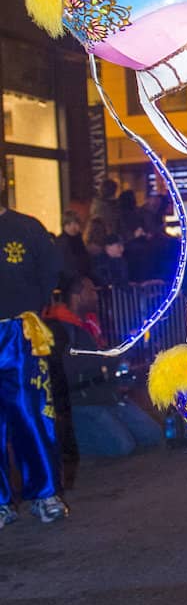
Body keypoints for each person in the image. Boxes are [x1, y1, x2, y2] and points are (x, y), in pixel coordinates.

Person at [0, 184, 66, 525]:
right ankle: (1, 502)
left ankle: (44, 493)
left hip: (18, 333)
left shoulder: (26, 227)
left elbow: (49, 272)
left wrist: (29, 307)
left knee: (31, 412)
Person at [43, 275, 163, 458]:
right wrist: (117, 355)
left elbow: (103, 361)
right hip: (82, 401)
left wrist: (123, 355)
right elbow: (75, 369)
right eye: (91, 291)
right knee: (122, 447)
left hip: (106, 394)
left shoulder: (88, 325)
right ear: (77, 295)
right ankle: (68, 444)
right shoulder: (61, 329)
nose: (96, 296)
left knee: (152, 436)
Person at [55, 209, 92, 282]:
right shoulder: (61, 242)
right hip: (70, 280)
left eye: (77, 223)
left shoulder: (78, 239)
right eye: (74, 223)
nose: (76, 227)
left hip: (80, 278)